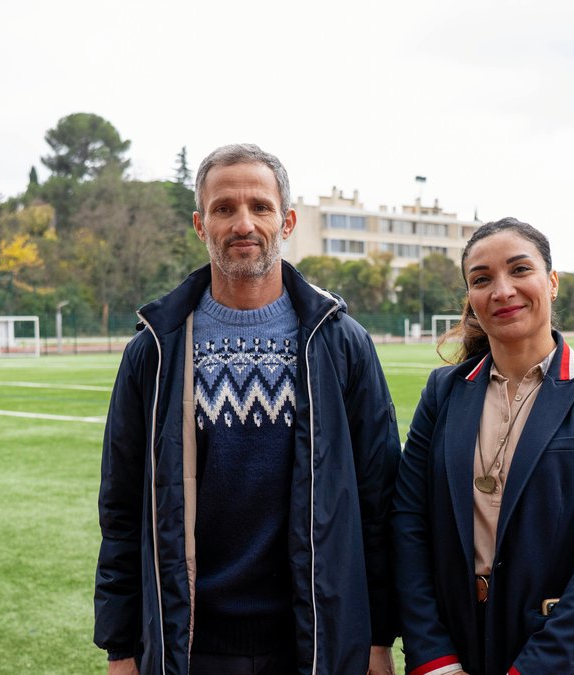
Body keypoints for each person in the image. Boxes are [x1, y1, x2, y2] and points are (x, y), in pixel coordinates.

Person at [95, 143, 401, 675]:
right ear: (199, 224)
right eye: (223, 208)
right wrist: (121, 648)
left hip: (313, 640)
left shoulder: (341, 344)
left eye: (260, 207)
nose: (243, 223)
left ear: (287, 220)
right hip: (190, 644)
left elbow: (379, 501)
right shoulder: (156, 349)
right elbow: (121, 511)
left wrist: (378, 637)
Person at [392, 217, 574, 675]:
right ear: (470, 300)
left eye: (519, 270)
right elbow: (409, 522)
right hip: (459, 656)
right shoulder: (443, 392)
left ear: (551, 282)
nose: (502, 290)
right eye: (482, 279)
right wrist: (434, 658)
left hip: (570, 662)